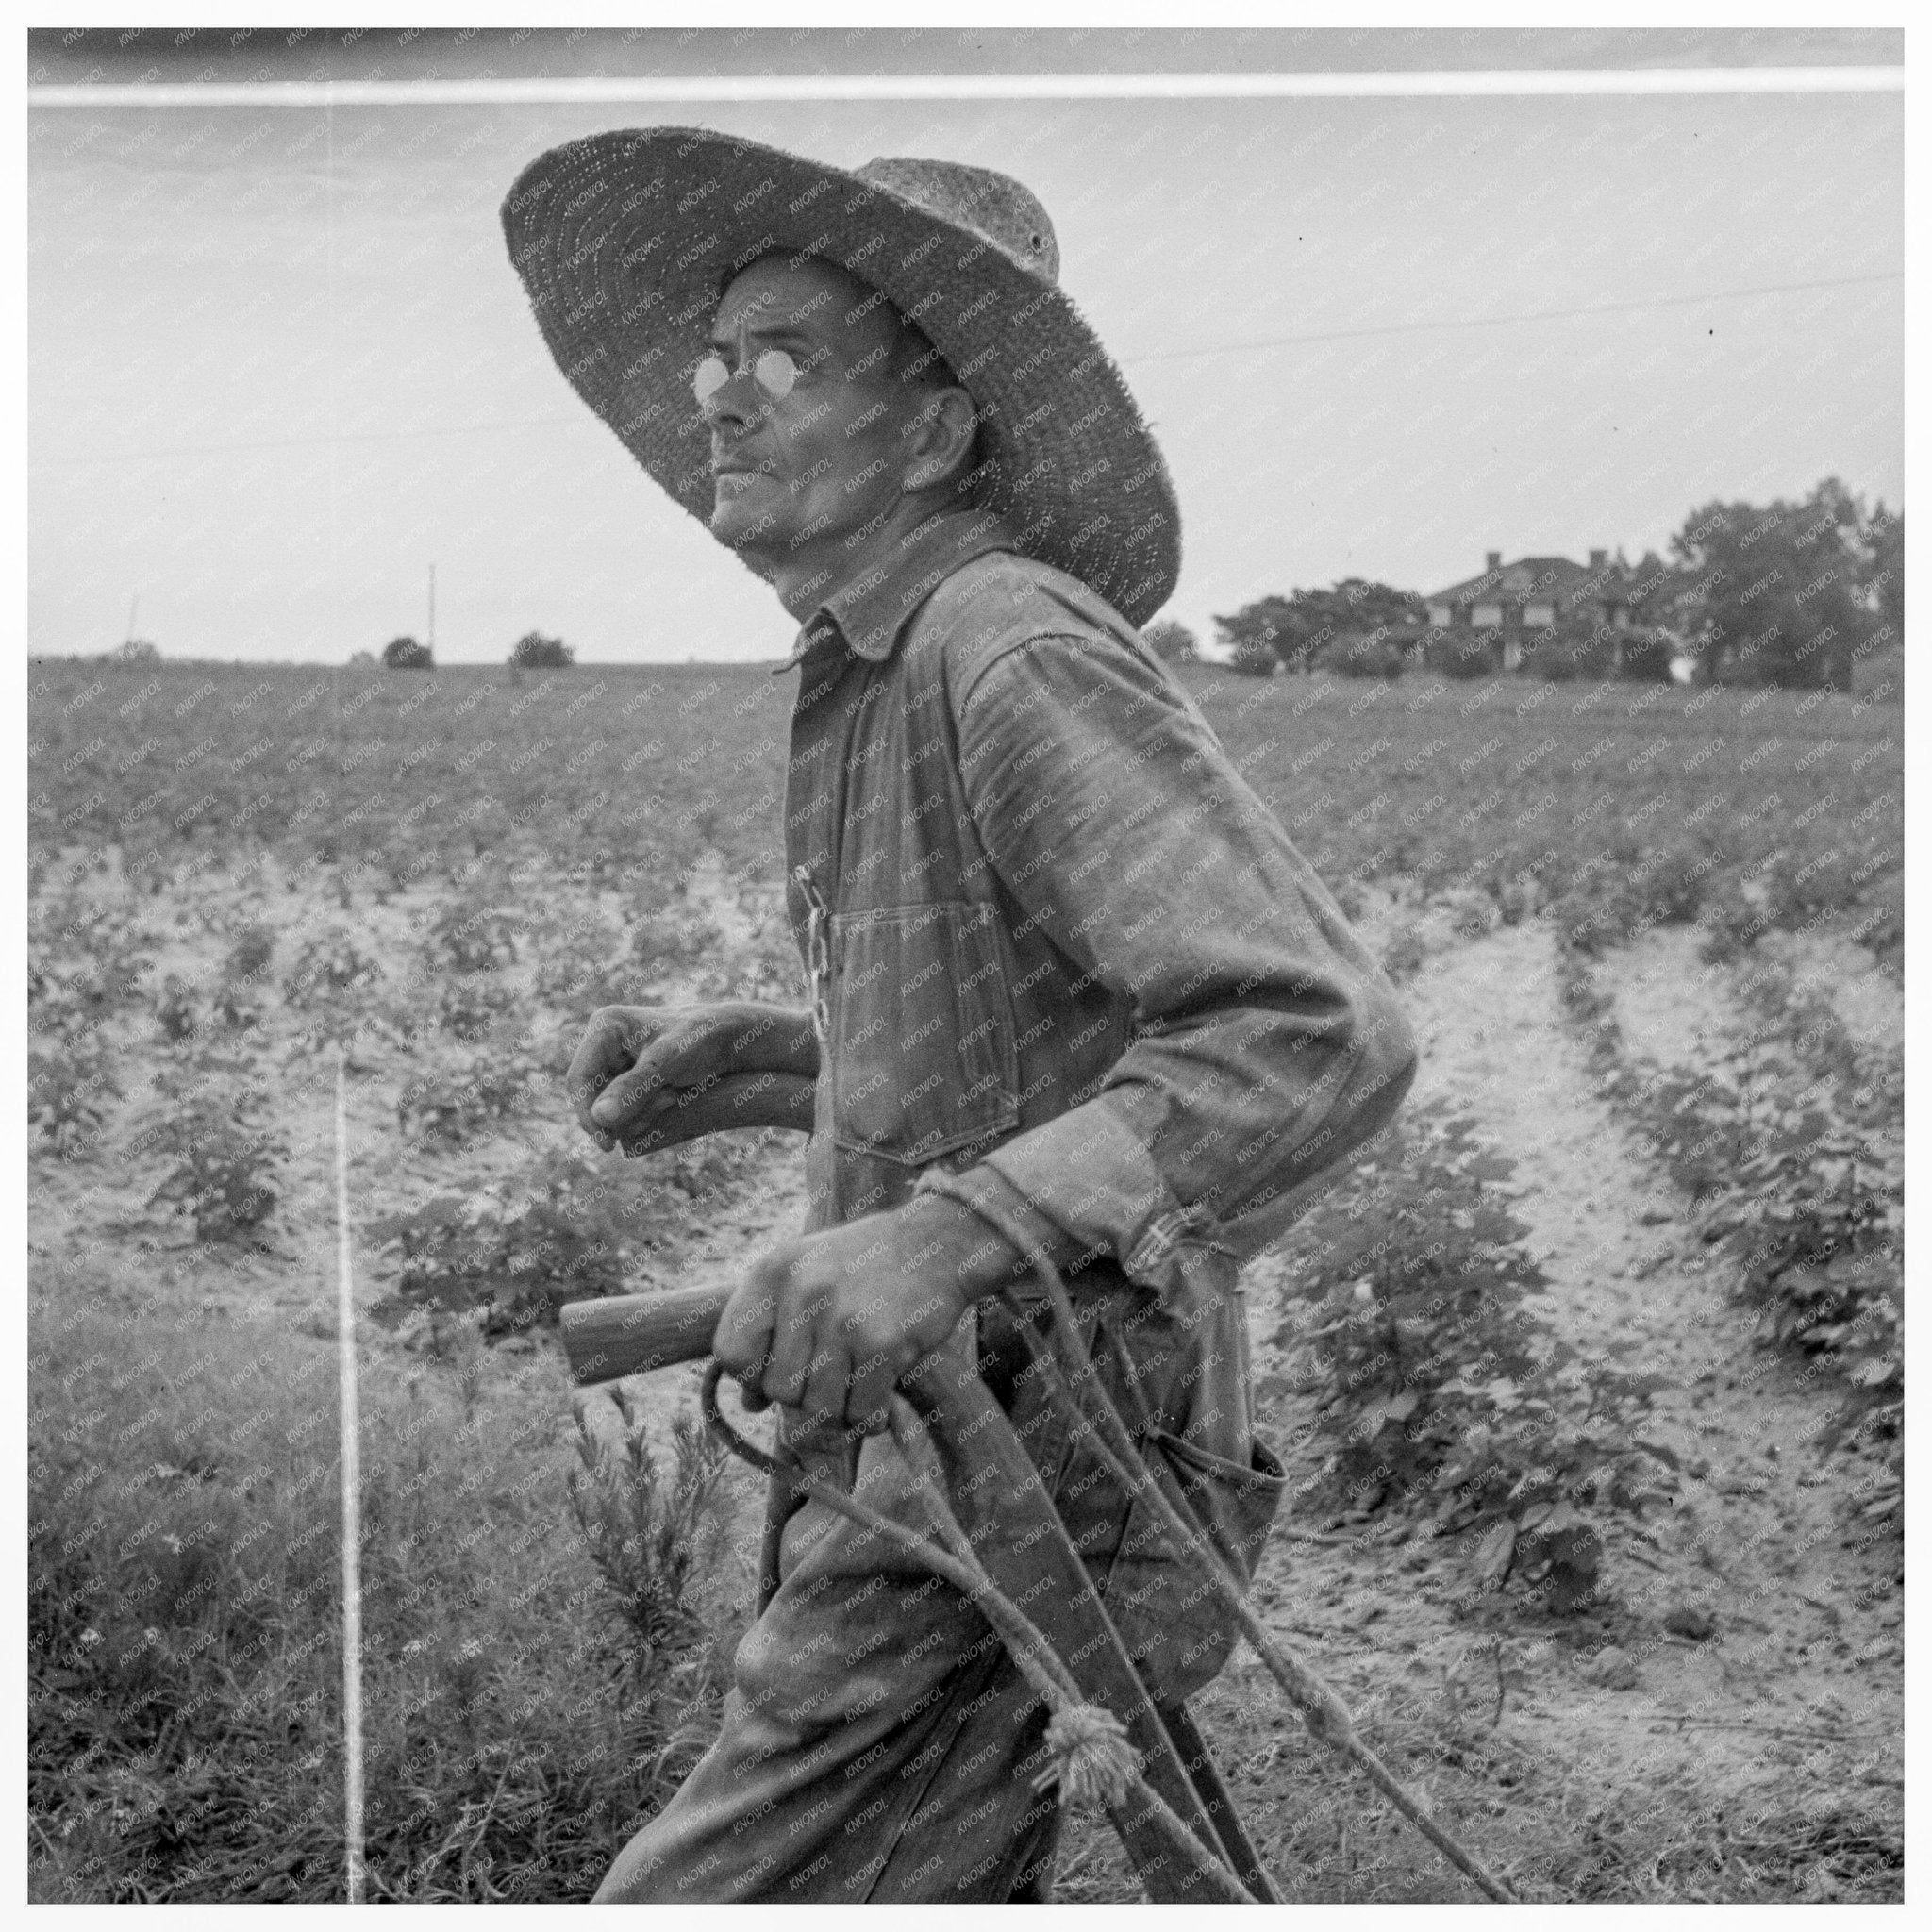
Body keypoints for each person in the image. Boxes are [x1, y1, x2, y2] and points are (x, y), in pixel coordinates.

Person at [503, 131, 1419, 1903]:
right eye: (715, 353)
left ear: (933, 434)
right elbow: (1061, 1048)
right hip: (966, 1408)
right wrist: (804, 1068)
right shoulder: (868, 663)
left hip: (1036, 1425)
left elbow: (1317, 1035)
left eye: (784, 355)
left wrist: (938, 1239)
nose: (719, 394)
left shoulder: (1000, 646)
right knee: (930, 1864)